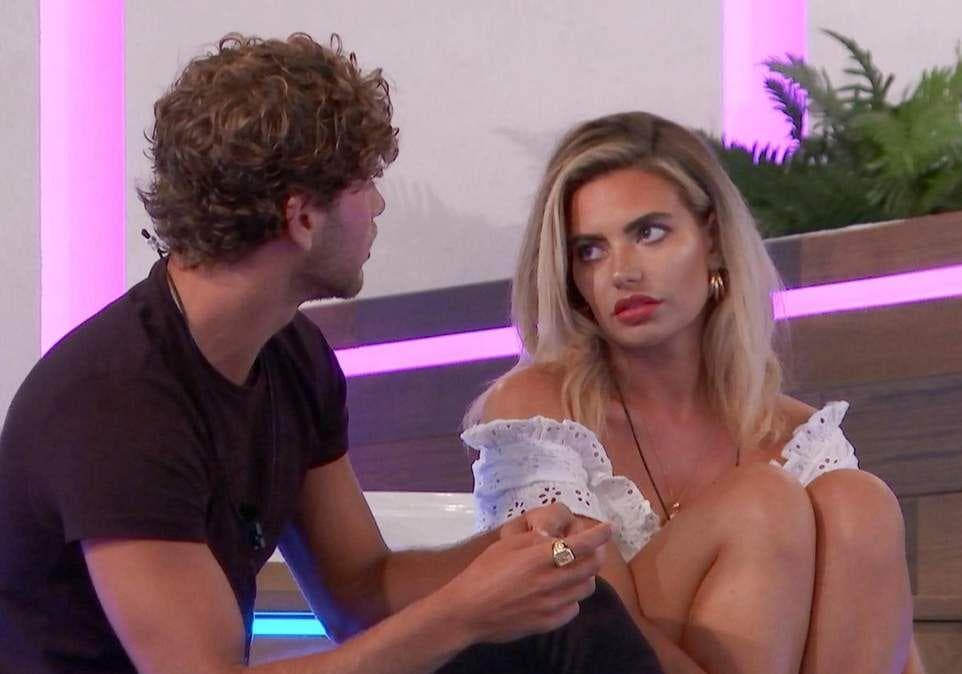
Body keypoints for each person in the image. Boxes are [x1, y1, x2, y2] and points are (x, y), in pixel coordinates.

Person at [0, 35, 665, 674]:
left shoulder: (289, 354)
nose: (378, 204)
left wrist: (506, 554)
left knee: (573, 615)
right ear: (302, 218)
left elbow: (360, 592)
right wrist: (465, 613)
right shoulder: (116, 407)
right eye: (363, 183)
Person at [463, 111, 924, 673]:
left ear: (713, 240)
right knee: (761, 503)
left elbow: (888, 645)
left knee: (860, 502)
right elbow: (599, 637)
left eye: (648, 233)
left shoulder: (800, 436)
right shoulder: (540, 409)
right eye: (590, 250)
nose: (622, 272)